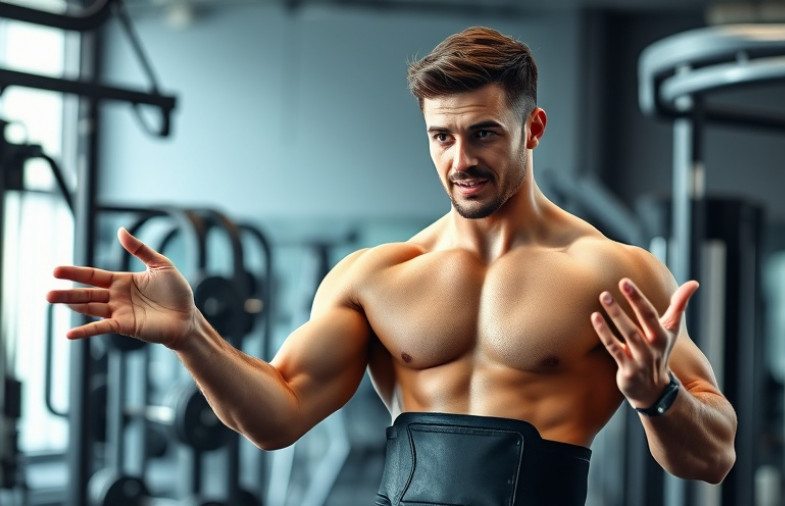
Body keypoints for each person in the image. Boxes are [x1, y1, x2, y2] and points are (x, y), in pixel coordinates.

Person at [47, 26, 736, 505]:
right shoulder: (375, 277)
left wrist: (656, 395)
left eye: (484, 134)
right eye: (442, 136)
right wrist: (192, 334)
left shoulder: (612, 274)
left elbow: (713, 459)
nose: (460, 160)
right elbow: (277, 415)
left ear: (533, 128)